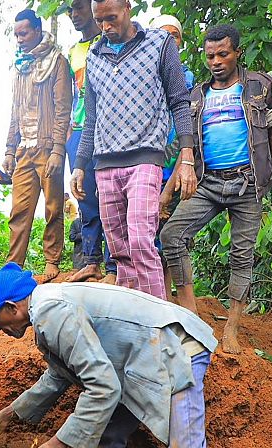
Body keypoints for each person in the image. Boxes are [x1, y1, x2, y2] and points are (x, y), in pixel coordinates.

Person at [0, 263, 264, 448]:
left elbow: (103, 387)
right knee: (103, 441)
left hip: (175, 350)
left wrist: (54, 447)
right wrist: (9, 414)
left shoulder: (51, 311)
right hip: (138, 360)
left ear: (11, 307)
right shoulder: (46, 308)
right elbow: (60, 374)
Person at [160, 24, 272, 354]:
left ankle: (232, 327)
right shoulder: (198, 95)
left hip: (248, 182)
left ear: (237, 53)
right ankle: (189, 310)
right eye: (210, 56)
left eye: (223, 54)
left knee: (241, 255)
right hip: (208, 182)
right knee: (172, 236)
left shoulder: (259, 86)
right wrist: (168, 190)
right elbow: (187, 148)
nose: (216, 61)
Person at [71, 0, 194, 300]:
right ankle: (132, 322)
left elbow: (179, 101)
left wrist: (187, 155)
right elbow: (91, 120)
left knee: (141, 240)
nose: (106, 27)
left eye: (111, 18)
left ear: (127, 8)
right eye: (100, 21)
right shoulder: (95, 56)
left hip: (145, 158)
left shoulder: (160, 43)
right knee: (120, 252)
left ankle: (158, 323)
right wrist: (79, 165)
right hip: (104, 165)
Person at [3, 9, 73, 281]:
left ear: (37, 30)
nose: (19, 39)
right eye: (16, 34)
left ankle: (52, 260)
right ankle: (12, 265)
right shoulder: (21, 66)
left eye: (24, 33)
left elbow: (62, 108)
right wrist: (10, 149)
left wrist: (58, 150)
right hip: (24, 150)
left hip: (48, 148)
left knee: (54, 207)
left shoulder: (57, 62)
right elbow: (14, 111)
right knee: (19, 210)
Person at [63, 0, 116, 285]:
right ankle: (91, 261)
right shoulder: (73, 51)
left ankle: (113, 266)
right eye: (71, 10)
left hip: (107, 129)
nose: (75, 15)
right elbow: (73, 92)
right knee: (84, 197)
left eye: (80, 8)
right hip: (80, 130)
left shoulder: (109, 42)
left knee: (110, 196)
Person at [150, 14, 194, 300]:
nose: (169, 40)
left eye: (174, 35)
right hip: (148, 164)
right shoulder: (146, 74)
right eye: (162, 34)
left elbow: (188, 126)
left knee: (174, 234)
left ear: (181, 41)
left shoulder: (188, 79)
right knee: (148, 231)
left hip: (176, 166)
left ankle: (171, 294)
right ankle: (155, 294)